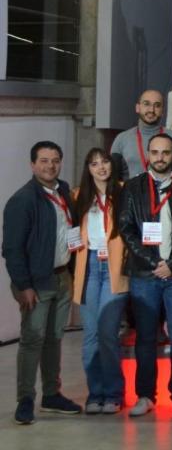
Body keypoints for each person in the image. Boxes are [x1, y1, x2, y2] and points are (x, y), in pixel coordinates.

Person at [3, 141, 83, 425]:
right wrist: (24, 286)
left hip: (61, 277)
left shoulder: (63, 192)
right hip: (35, 284)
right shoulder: (23, 200)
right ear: (32, 164)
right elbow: (11, 249)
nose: (50, 165)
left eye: (55, 160)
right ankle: (25, 399)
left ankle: (51, 394)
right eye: (44, 160)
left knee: (54, 339)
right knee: (32, 340)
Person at [119, 133, 172, 418]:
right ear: (148, 155)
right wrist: (153, 262)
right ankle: (145, 395)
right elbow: (126, 229)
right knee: (145, 338)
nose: (160, 157)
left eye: (166, 152)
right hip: (145, 274)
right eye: (155, 152)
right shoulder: (133, 186)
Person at [71, 148, 129, 415]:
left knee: (108, 333)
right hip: (90, 265)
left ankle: (114, 393)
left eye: (104, 161)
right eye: (94, 163)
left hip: (115, 267)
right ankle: (95, 393)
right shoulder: (78, 195)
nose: (101, 167)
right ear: (88, 168)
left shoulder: (123, 191)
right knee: (91, 336)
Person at [110, 89, 172, 179]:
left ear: (162, 110)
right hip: (130, 192)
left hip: (166, 192)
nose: (151, 110)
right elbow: (113, 178)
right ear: (137, 108)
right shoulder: (121, 139)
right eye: (146, 104)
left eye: (157, 105)